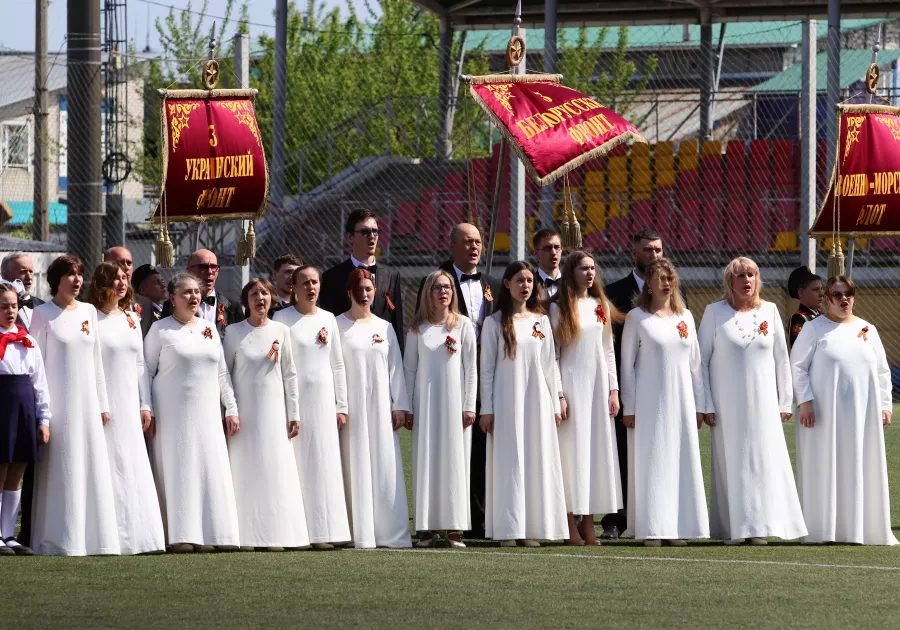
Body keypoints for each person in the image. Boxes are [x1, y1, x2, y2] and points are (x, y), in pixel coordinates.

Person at [698, 257, 806, 545]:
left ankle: (760, 526)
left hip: (764, 403)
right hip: (726, 405)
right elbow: (700, 362)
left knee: (763, 462)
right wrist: (706, 403)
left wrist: (785, 401)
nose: (747, 280)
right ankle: (735, 528)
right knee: (732, 463)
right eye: (741, 276)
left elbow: (782, 359)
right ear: (729, 282)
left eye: (751, 275)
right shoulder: (713, 312)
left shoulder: (770, 310)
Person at [791, 275, 897, 545]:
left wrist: (885, 406)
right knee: (826, 466)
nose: (844, 299)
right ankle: (824, 530)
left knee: (860, 465)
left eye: (848, 293)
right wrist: (805, 401)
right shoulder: (813, 329)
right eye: (837, 294)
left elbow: (882, 371)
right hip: (823, 417)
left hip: (863, 416)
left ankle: (862, 530)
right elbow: (797, 367)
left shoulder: (867, 329)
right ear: (827, 298)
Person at [414, 222, 501, 539]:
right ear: (452, 246)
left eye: (478, 241)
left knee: (482, 449)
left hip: (486, 376)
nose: (474, 247)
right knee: (449, 449)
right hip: (447, 377)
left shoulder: (492, 284)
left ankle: (478, 518)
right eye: (467, 241)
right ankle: (442, 518)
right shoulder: (436, 282)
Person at [29, 255, 120, 556]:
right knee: (63, 468)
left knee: (90, 466)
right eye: (70, 274)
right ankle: (61, 539)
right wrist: (41, 413)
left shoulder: (89, 311)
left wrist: (103, 404)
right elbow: (35, 367)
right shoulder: (42, 314)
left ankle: (95, 539)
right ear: (56, 280)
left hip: (88, 405)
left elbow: (95, 361)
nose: (77, 279)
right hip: (58, 405)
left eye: (80, 273)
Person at [145, 272, 241, 552]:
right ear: (172, 298)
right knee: (179, 468)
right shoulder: (160, 329)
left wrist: (231, 408)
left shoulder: (209, 328)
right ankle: (181, 535)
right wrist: (147, 407)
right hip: (172, 415)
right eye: (186, 292)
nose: (193, 296)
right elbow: (146, 371)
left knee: (209, 467)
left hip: (207, 413)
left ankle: (213, 534)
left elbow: (222, 372)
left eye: (196, 292)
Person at [600, 228, 683, 540]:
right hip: (624, 387)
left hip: (663, 389)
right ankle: (615, 519)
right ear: (633, 252)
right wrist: (616, 389)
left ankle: (663, 517)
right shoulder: (613, 293)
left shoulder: (676, 294)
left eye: (658, 249)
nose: (654, 255)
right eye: (647, 250)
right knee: (622, 453)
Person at [620, 258, 708, 547]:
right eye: (660, 278)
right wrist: (630, 407)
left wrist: (700, 405)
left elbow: (696, 365)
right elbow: (627, 367)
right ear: (649, 283)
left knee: (680, 462)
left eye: (670, 278)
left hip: (682, 403)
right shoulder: (636, 318)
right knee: (654, 462)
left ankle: (676, 528)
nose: (666, 283)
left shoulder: (686, 317)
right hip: (650, 404)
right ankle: (653, 528)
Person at [480, 261, 567, 547]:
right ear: (507, 284)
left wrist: (555, 402)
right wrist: (487, 409)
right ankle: (508, 528)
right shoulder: (494, 323)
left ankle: (531, 527)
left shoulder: (541, 321)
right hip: (507, 401)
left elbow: (550, 365)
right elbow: (487, 369)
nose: (525, 286)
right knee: (509, 460)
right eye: (519, 280)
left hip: (537, 401)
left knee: (534, 459)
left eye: (529, 280)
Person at [224, 278, 310, 551]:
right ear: (246, 301)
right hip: (244, 417)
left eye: (264, 293)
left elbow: (290, 374)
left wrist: (294, 413)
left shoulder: (281, 331)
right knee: (245, 470)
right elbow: (224, 374)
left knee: (275, 470)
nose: (260, 298)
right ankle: (246, 536)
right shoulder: (233, 332)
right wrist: (231, 409)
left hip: (274, 414)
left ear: (271, 298)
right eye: (254, 294)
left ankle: (276, 534)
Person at [87, 263, 165, 555]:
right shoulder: (90, 317)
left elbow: (140, 363)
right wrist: (100, 403)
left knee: (132, 464)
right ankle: (108, 536)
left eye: (123, 278)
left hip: (130, 403)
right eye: (114, 279)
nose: (121, 283)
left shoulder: (132, 317)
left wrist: (145, 404)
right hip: (104, 404)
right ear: (101, 283)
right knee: (108, 464)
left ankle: (139, 535)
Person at [274, 265, 352, 550]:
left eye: (315, 282)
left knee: (323, 464)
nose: (311, 287)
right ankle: (298, 532)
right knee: (297, 464)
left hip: (323, 402)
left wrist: (341, 405)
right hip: (293, 402)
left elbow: (337, 364)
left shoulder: (328, 318)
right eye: (305, 282)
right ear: (294, 287)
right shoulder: (281, 318)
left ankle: (325, 530)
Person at [549, 251, 622, 546]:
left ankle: (589, 524)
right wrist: (559, 394)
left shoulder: (599, 305)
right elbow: (553, 355)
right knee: (571, 455)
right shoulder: (557, 307)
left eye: (592, 268)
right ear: (571, 272)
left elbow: (607, 349)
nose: (590, 273)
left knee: (593, 454)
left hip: (597, 388)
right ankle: (570, 525)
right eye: (583, 268)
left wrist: (613, 389)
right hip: (571, 387)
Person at [336, 268, 411, 548]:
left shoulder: (385, 327)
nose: (364, 294)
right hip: (351, 409)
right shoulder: (336, 325)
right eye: (359, 289)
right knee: (354, 463)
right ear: (349, 292)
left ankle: (389, 532)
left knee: (384, 463)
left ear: (375, 291)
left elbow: (395, 368)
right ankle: (358, 532)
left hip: (381, 409)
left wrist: (399, 405)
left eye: (369, 289)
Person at [404, 270, 477, 548]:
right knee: (426, 461)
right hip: (425, 405)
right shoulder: (417, 328)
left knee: (454, 462)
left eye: (447, 287)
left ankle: (454, 527)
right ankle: (426, 527)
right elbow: (409, 369)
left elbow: (471, 369)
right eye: (437, 287)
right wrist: (407, 407)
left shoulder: (463, 325)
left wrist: (469, 405)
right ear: (429, 292)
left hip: (454, 405)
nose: (443, 292)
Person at [0, 281, 50, 556]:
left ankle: (8, 534)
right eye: (3, 307)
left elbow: (39, 383)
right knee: (1, 468)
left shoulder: (27, 341)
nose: (10, 311)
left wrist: (44, 419)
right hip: (2, 408)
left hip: (24, 409)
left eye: (13, 306)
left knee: (17, 470)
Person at [321, 209, 405, 352]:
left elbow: (397, 324)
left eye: (375, 231)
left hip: (381, 353)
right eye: (365, 232)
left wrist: (399, 359)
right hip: (347, 353)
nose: (372, 236)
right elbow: (328, 325)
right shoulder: (332, 277)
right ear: (350, 237)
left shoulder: (391, 275)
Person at [162, 249, 244, 339]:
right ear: (189, 271)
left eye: (213, 267)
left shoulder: (232, 306)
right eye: (203, 267)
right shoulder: (173, 305)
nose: (209, 272)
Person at [2, 252, 44, 330]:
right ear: (6, 276)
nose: (29, 277)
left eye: (31, 271)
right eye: (23, 272)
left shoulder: (42, 305)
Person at [787, 267, 824, 349]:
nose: (821, 294)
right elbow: (801, 350)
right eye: (815, 290)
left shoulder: (824, 315)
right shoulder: (799, 318)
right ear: (801, 293)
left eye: (822, 289)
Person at [132, 264, 167, 338]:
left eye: (162, 281)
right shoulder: (142, 314)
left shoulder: (164, 309)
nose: (163, 286)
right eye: (156, 282)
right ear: (143, 290)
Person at [532, 228, 563, 298]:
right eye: (547, 248)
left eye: (557, 247)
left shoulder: (572, 283)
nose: (553, 252)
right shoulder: (530, 285)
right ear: (536, 253)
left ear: (561, 250)